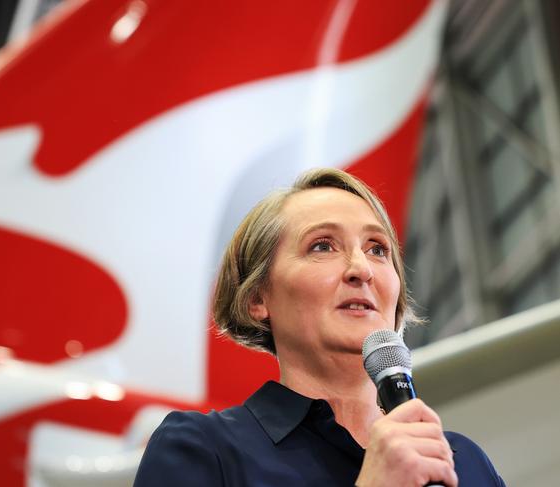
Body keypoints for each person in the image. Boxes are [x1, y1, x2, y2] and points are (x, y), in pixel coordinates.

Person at [134, 168, 505, 486]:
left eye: (377, 249)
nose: (362, 269)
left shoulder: (464, 462)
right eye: (322, 246)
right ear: (257, 298)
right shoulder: (204, 449)